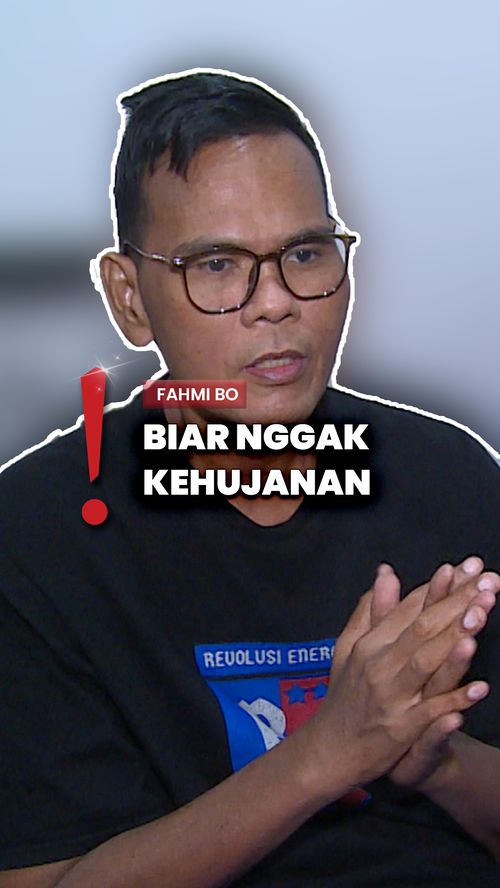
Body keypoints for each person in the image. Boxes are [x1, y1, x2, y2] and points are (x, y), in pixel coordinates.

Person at [0, 69, 499, 888]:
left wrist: (439, 762)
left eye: (304, 254)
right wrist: (326, 753)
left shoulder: (451, 479)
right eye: (218, 266)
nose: (275, 304)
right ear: (129, 298)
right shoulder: (35, 536)